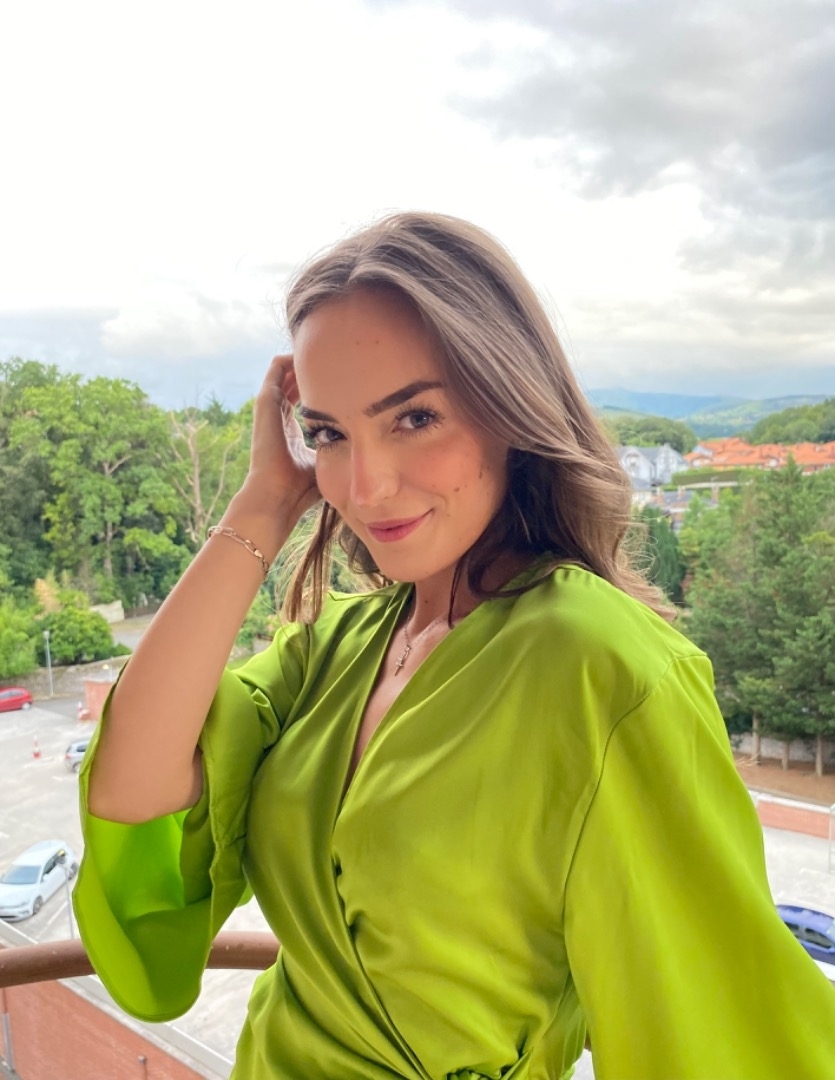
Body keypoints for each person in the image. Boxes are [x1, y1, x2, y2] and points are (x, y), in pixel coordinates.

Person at [73, 212, 835, 1080]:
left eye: (414, 417)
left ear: (509, 405)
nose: (365, 487)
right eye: (328, 433)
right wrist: (262, 503)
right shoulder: (339, 647)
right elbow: (134, 789)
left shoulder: (607, 673)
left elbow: (713, 1022)